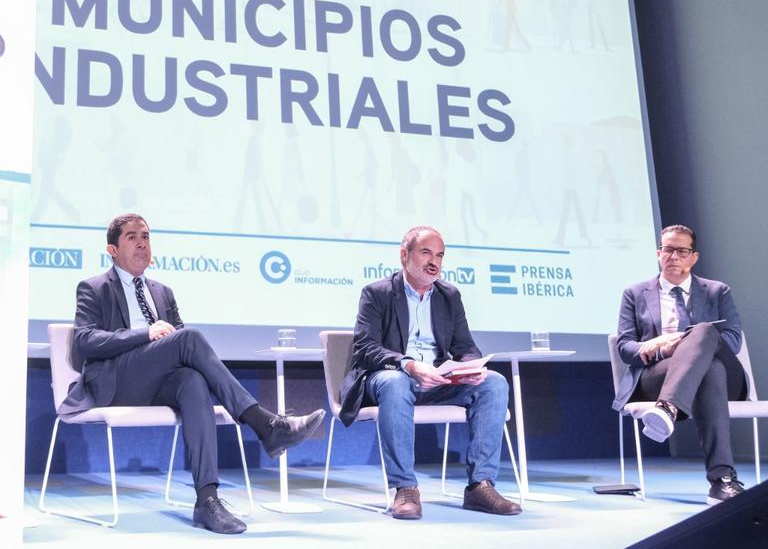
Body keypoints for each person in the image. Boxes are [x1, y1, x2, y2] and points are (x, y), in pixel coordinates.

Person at [60, 213, 325, 534]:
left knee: (193, 380)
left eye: (146, 236)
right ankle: (266, 424)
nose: (142, 242)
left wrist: (162, 340)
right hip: (114, 382)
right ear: (112, 250)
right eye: (132, 237)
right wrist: (145, 334)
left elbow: (184, 354)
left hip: (155, 382)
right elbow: (85, 341)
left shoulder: (162, 292)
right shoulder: (94, 287)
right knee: (189, 338)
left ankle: (207, 500)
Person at [339, 226, 520, 520]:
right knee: (396, 383)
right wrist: (409, 364)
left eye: (439, 255)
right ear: (404, 255)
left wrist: (470, 367)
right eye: (426, 252)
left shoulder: (449, 295)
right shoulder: (378, 293)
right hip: (390, 375)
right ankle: (405, 488)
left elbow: (464, 346)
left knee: (493, 382)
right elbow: (366, 348)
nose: (434, 261)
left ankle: (480, 486)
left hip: (438, 379)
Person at [614, 224, 747, 504]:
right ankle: (723, 480)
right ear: (658, 253)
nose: (673, 256)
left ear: (693, 257)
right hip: (660, 374)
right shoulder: (635, 293)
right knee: (710, 370)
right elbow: (625, 347)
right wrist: (661, 348)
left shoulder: (716, 291)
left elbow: (733, 341)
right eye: (667, 249)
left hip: (725, 376)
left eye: (681, 250)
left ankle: (668, 408)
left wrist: (679, 338)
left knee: (705, 332)